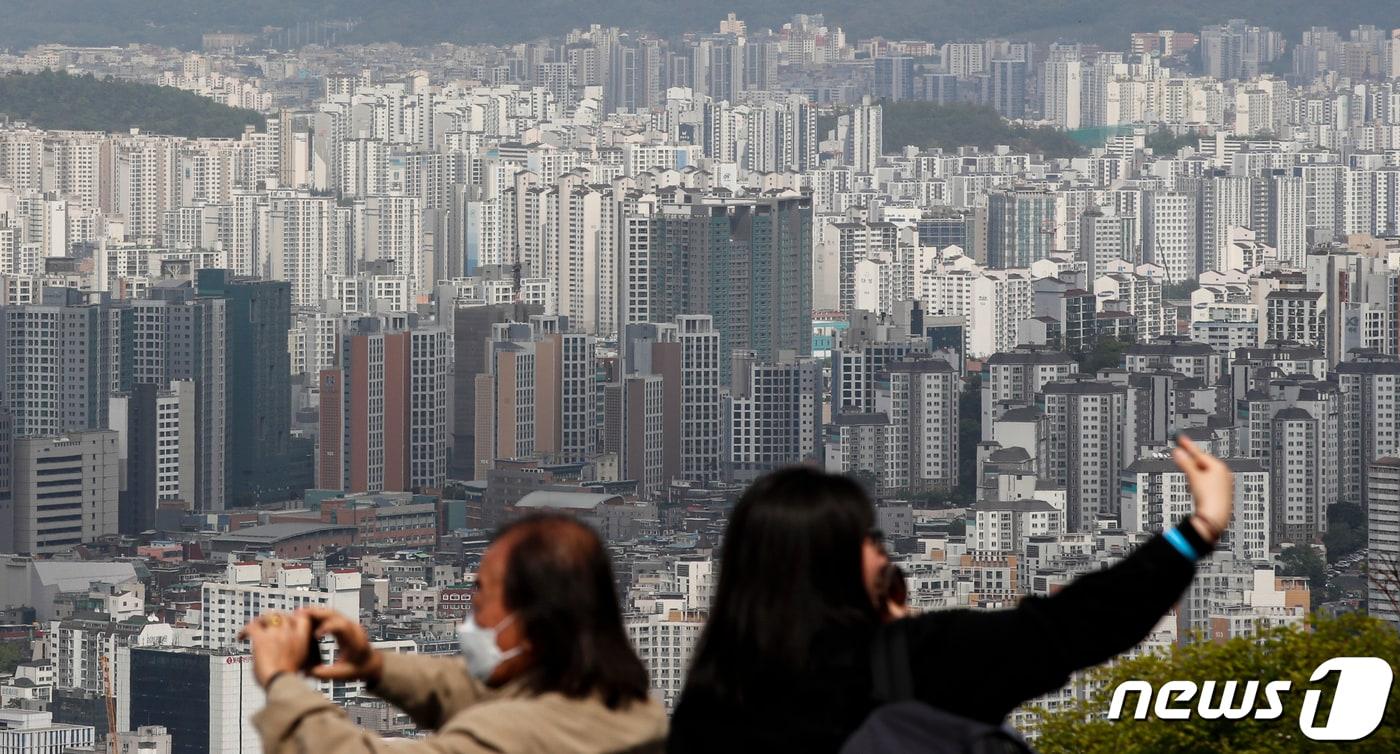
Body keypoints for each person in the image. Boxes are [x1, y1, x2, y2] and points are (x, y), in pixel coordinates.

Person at [668, 435, 1235, 752]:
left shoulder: (709, 704)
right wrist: (1200, 527)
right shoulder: (919, 663)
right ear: (838, 559)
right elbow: (1074, 625)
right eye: (870, 538)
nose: (883, 552)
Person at [241, 513, 667, 754]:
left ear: (532, 620)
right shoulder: (629, 707)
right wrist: (374, 666)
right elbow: (481, 697)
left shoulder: (513, 738)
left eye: (481, 595)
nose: (472, 613)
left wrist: (281, 682)